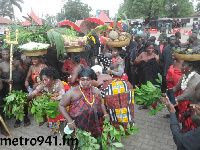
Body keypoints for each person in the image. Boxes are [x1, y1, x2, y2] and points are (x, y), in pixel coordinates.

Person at [58, 66, 109, 138]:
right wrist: (70, 121)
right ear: (79, 80)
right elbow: (61, 105)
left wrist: (105, 114)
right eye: (82, 80)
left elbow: (101, 103)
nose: (85, 82)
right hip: (78, 127)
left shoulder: (96, 91)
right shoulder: (72, 92)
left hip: (95, 124)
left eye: (88, 79)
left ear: (91, 80)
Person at [27, 67, 65, 136]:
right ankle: (52, 126)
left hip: (59, 102)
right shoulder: (43, 85)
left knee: (55, 114)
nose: (44, 82)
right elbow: (35, 91)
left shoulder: (58, 83)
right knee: (50, 114)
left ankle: (56, 127)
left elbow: (62, 94)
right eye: (42, 80)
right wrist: (29, 96)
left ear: (52, 78)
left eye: (46, 80)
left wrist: (56, 98)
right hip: (49, 103)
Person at [0, 48, 30, 129]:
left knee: (22, 102)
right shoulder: (1, 65)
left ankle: (26, 117)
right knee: (13, 103)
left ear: (10, 54)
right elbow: (0, 78)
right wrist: (6, 81)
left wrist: (17, 67)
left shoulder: (16, 62)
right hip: (9, 87)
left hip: (18, 85)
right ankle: (17, 119)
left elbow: (24, 73)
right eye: (4, 54)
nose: (5, 56)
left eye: (7, 54)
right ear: (2, 55)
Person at [170, 60, 200, 133]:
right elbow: (176, 88)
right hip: (191, 105)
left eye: (183, 66)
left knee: (195, 118)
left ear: (190, 67)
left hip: (197, 106)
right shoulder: (184, 76)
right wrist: (166, 92)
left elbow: (185, 96)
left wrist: (170, 100)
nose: (181, 67)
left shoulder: (196, 79)